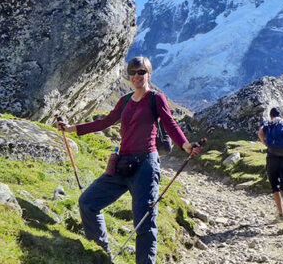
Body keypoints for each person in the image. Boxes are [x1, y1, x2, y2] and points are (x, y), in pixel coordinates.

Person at [58, 56, 202, 264]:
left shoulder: (156, 98)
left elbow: (170, 124)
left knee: (144, 223)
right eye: (132, 72)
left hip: (145, 166)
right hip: (121, 163)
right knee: (88, 203)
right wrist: (72, 129)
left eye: (141, 72)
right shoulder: (124, 100)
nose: (136, 76)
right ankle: (101, 255)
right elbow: (105, 121)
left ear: (149, 75)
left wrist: (186, 145)